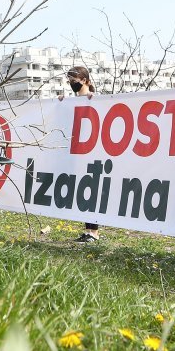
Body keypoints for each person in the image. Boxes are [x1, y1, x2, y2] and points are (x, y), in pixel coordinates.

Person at [68, 66, 101, 243]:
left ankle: (94, 231)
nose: (72, 84)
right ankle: (88, 229)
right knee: (83, 193)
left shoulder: (95, 99)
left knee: (92, 191)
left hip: (92, 153)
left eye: (75, 81)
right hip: (79, 153)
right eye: (70, 81)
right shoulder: (73, 102)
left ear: (86, 81)